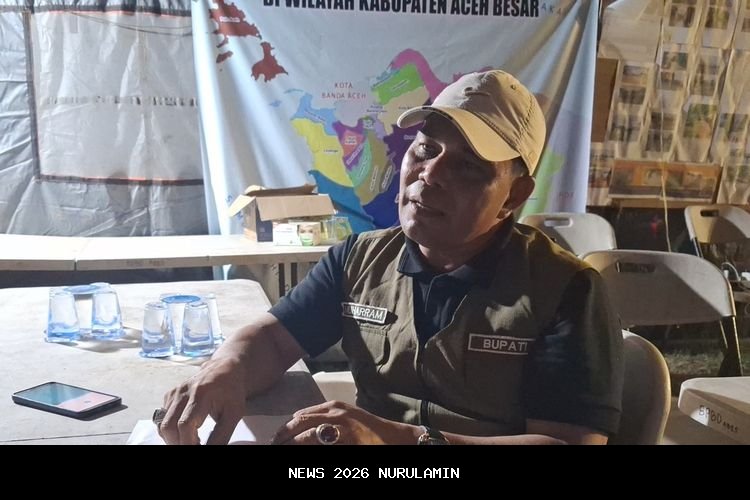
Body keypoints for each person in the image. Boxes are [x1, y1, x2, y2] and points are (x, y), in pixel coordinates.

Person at [157, 70, 624, 445]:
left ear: (515, 196)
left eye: (467, 166)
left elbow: (569, 442)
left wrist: (400, 440)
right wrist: (226, 369)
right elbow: (275, 340)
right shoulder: (359, 259)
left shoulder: (566, 290)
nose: (430, 174)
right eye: (426, 149)